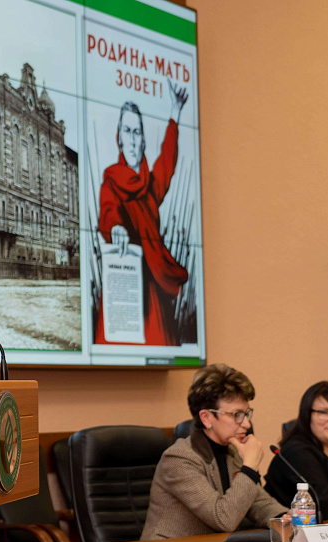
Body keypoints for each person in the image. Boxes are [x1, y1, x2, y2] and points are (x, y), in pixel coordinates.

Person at [142, 364, 287, 540]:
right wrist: (250, 467)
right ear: (207, 418)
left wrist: (284, 518)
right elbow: (223, 519)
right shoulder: (179, 459)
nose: (247, 424)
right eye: (236, 415)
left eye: (247, 414)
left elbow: (257, 502)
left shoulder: (233, 451)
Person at [95, 79, 189, 346]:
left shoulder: (149, 186)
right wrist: (115, 228)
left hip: (153, 288)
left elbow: (166, 163)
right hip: (125, 281)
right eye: (128, 131)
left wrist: (175, 113)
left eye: (138, 132)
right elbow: (107, 211)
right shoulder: (111, 179)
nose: (133, 139)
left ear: (143, 139)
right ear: (119, 138)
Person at [264, 381, 328, 520]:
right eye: (324, 412)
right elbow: (323, 501)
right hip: (289, 535)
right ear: (307, 415)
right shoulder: (296, 451)